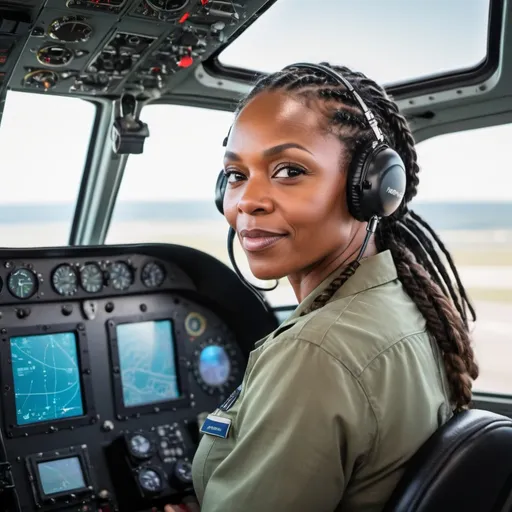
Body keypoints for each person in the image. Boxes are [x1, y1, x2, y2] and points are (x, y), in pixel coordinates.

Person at [166, 62, 478, 512]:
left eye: (289, 170)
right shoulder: (404, 306)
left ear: (371, 188)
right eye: (236, 175)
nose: (247, 201)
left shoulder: (315, 355)